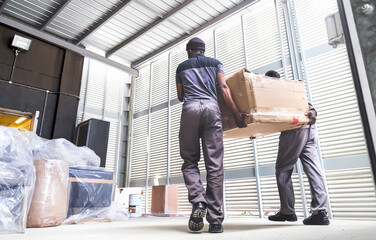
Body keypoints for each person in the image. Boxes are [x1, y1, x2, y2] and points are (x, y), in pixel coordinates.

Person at [176, 37, 246, 233]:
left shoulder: (182, 67)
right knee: (214, 165)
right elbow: (223, 88)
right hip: (211, 109)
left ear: (189, 50)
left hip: (190, 109)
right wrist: (236, 113)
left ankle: (199, 202)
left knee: (190, 161)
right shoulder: (216, 63)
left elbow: (181, 96)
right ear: (203, 50)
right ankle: (215, 221)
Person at [265, 70, 330, 225]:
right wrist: (313, 112)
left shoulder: (270, 92)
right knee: (314, 169)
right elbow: (309, 107)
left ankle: (287, 212)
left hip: (293, 130)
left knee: (283, 169)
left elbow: (265, 115)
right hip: (308, 129)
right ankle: (320, 212)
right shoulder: (290, 88)